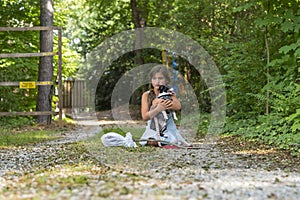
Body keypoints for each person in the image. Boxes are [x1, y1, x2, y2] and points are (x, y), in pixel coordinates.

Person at [140, 65, 191, 147]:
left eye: (160, 78)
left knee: (171, 140)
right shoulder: (146, 95)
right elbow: (145, 117)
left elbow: (178, 106)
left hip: (169, 128)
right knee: (151, 140)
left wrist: (162, 101)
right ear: (151, 80)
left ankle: (167, 140)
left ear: (166, 80)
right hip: (153, 129)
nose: (157, 81)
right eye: (154, 78)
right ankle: (158, 141)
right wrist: (158, 109)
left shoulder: (169, 93)